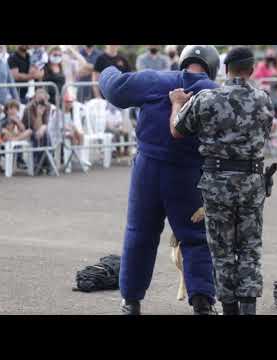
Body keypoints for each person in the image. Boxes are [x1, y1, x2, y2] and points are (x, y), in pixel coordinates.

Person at [99, 45, 221, 316]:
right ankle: (202, 301)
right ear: (212, 66)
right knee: (195, 239)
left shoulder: (157, 79)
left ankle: (130, 302)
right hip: (188, 175)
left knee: (139, 234)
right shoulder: (215, 91)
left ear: (183, 61)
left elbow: (115, 89)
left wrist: (106, 68)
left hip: (148, 171)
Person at [168, 47, 274, 315]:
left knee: (222, 252)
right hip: (252, 182)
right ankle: (249, 310)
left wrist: (176, 103)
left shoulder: (207, 98)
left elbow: (177, 130)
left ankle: (229, 310)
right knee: (250, 250)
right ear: (251, 70)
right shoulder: (264, 100)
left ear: (225, 69)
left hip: (217, 184)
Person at [22, 89, 55, 174]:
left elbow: (45, 123)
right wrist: (39, 114)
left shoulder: (47, 106)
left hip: (41, 130)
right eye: (39, 99)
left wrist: (43, 127)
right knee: (39, 135)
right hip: (28, 131)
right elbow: (35, 127)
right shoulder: (29, 108)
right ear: (34, 98)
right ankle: (39, 164)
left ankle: (46, 164)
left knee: (45, 134)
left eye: (43, 99)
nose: (41, 102)